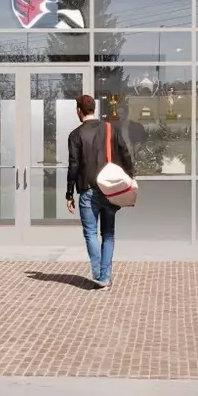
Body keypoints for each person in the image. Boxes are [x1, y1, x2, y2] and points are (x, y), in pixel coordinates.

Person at [65, 93, 133, 289]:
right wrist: (130, 177)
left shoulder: (75, 135)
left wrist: (69, 193)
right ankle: (105, 276)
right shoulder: (111, 129)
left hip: (88, 191)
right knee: (108, 234)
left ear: (79, 111)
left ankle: (98, 274)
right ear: (93, 109)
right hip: (110, 191)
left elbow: (74, 166)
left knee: (91, 233)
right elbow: (125, 154)